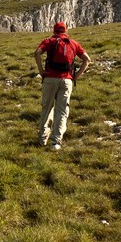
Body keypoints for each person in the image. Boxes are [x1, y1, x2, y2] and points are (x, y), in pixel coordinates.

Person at [34, 22, 91, 150]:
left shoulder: (49, 41)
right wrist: (76, 76)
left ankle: (42, 139)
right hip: (66, 80)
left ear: (54, 31)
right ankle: (56, 142)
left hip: (49, 79)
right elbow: (87, 59)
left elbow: (37, 53)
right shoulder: (73, 43)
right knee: (62, 111)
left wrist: (41, 71)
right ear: (66, 31)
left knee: (47, 108)